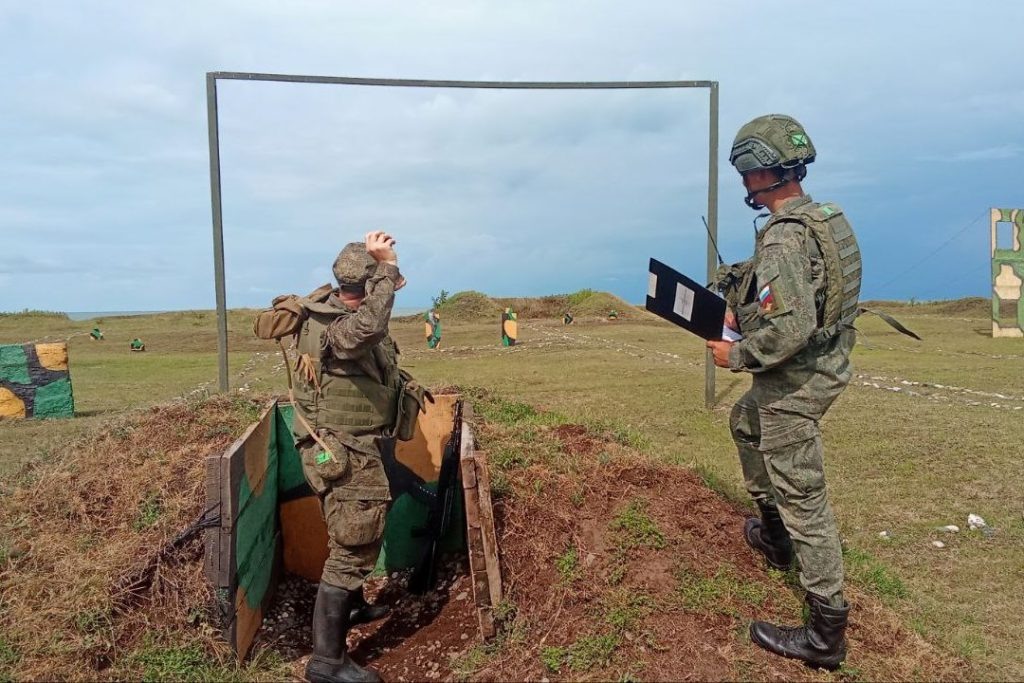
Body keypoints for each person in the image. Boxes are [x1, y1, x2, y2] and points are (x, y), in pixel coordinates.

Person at [705, 114, 860, 671]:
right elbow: (807, 288)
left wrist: (736, 354)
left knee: (804, 497)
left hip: (797, 381)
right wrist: (741, 289)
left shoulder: (784, 239)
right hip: (826, 363)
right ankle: (775, 538)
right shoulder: (821, 218)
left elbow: (789, 329)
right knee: (745, 422)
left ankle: (825, 635)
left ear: (756, 173)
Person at [293, 231, 407, 683]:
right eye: (381, 286)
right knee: (352, 546)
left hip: (345, 446)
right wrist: (388, 267)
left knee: (354, 535)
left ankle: (353, 606)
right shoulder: (338, 327)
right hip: (344, 451)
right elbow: (369, 328)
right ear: (365, 289)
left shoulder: (334, 310)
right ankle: (327, 663)